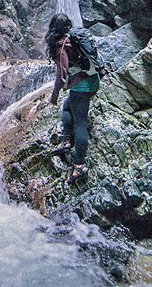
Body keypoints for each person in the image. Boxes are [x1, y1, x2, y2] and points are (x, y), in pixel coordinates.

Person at [45, 13, 100, 184]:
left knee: (81, 122)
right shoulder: (75, 37)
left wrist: (53, 95)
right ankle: (67, 140)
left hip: (81, 87)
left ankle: (80, 165)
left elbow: (61, 76)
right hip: (92, 80)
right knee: (68, 106)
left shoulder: (62, 46)